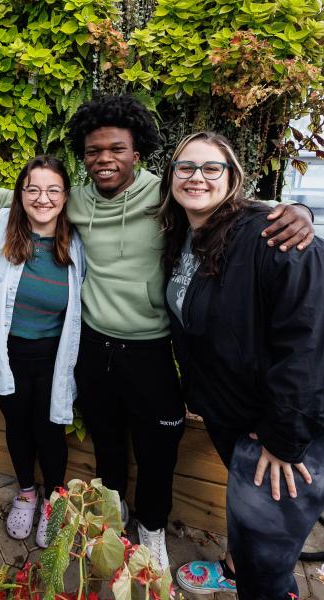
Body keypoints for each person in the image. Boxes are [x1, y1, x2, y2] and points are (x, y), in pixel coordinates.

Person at [0, 94, 315, 570]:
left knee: (158, 451)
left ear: (136, 153)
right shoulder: (74, 202)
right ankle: (111, 518)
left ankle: (154, 529)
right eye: (94, 151)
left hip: (151, 349)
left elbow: (224, 206)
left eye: (116, 149)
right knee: (108, 441)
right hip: (94, 346)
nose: (104, 160)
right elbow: (14, 196)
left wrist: (292, 211)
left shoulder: (165, 196)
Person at [158, 132, 324, 599]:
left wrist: (284, 439)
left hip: (282, 429)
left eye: (212, 168)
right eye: (185, 168)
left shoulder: (272, 236)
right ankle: (234, 568)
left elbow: (308, 339)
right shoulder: (186, 236)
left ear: (233, 178)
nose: (196, 177)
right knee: (249, 531)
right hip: (230, 412)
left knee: (267, 557)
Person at [0, 156, 85, 548]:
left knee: (49, 432)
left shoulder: (77, 241)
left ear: (65, 197)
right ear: (20, 194)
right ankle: (26, 493)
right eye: (33, 189)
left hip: (53, 357)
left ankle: (53, 499)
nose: (42, 198)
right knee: (17, 427)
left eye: (53, 190)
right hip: (8, 354)